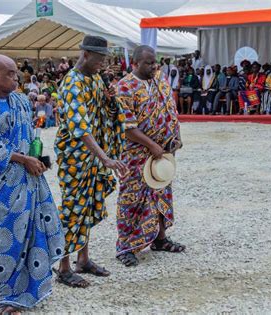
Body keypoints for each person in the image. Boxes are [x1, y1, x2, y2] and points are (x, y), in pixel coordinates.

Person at [0, 54, 64, 315]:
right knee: (3, 239)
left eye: (16, 72)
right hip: (0, 188)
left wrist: (39, 159)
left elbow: (31, 135)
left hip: (28, 180)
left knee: (32, 233)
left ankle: (30, 289)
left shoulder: (21, 101)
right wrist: (24, 160)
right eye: (9, 73)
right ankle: (1, 299)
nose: (15, 77)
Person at [54, 35, 128, 288]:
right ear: (85, 54)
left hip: (93, 156)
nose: (103, 65)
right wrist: (106, 158)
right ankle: (63, 267)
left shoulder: (95, 79)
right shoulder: (71, 84)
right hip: (75, 158)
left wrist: (110, 100)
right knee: (72, 209)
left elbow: (106, 113)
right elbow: (80, 128)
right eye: (100, 60)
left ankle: (83, 260)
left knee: (87, 207)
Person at [115, 45, 185, 267]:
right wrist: (152, 145)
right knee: (132, 200)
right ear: (134, 64)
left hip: (163, 153)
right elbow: (127, 127)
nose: (154, 66)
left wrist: (175, 137)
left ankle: (160, 239)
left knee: (161, 193)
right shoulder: (124, 87)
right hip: (136, 154)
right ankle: (126, 246)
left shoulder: (160, 80)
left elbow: (171, 111)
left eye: (155, 62)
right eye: (148, 63)